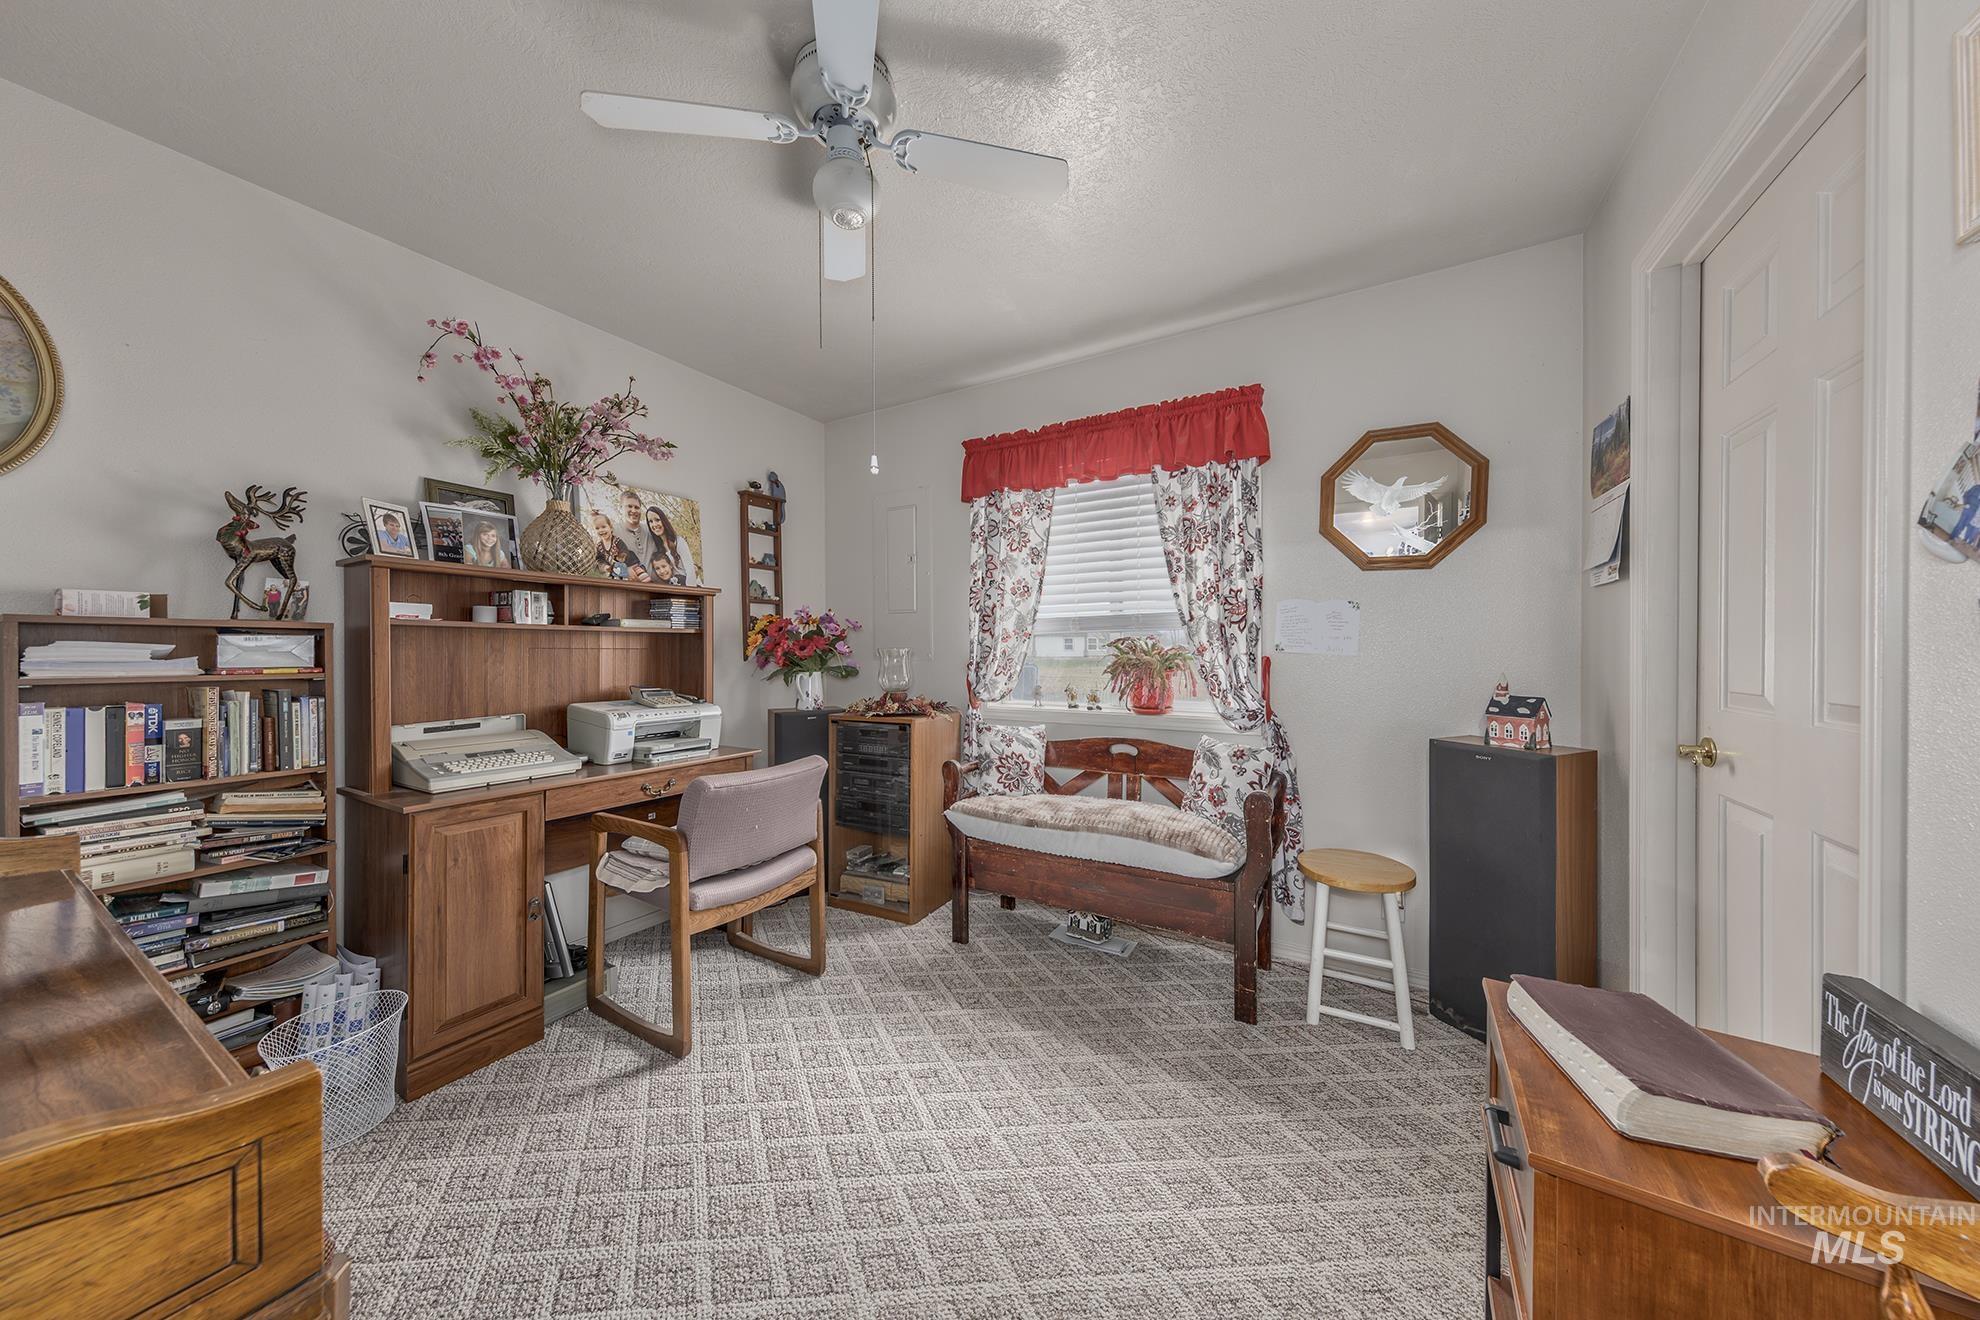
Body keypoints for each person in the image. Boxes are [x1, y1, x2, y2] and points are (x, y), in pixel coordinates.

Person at [641, 504, 698, 585]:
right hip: (676, 587)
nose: (654, 524)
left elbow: (690, 570)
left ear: (663, 520)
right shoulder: (659, 547)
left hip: (689, 586)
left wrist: (689, 593)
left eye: (657, 520)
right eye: (650, 521)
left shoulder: (679, 542)